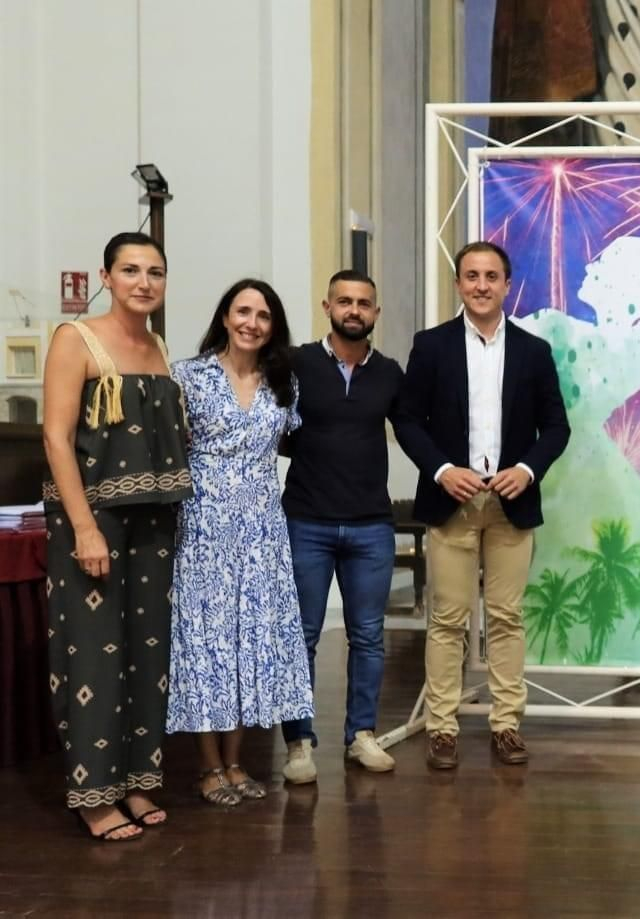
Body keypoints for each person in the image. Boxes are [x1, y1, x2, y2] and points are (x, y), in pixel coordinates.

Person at [40, 232, 193, 841]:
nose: (143, 282)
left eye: (155, 272)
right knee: (93, 655)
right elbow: (55, 439)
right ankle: (93, 794)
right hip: (94, 519)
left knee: (148, 654)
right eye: (130, 270)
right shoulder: (75, 339)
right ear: (106, 277)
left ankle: (136, 780)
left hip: (154, 520)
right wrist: (83, 528)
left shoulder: (157, 346)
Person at [395, 241, 571, 770]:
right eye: (471, 275)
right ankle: (442, 729)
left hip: (511, 504)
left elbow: (556, 427)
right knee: (447, 619)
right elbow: (407, 421)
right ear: (458, 284)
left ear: (507, 285)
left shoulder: (534, 351)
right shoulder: (431, 346)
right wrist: (443, 470)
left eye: (491, 276)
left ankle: (506, 725)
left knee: (506, 618)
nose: (481, 285)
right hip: (452, 502)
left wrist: (528, 469)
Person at [166, 279, 314, 806]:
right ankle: (208, 767)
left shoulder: (283, 382)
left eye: (263, 315)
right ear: (225, 317)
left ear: (274, 326)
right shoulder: (188, 375)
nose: (252, 322)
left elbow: (293, 440)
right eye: (243, 311)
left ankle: (235, 762)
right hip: (203, 527)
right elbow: (169, 448)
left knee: (250, 643)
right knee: (206, 646)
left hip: (261, 530)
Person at [278, 270, 407, 784]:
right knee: (301, 636)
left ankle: (361, 735)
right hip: (305, 521)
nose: (354, 310)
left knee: (369, 637)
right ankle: (299, 744)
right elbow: (273, 427)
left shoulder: (390, 373)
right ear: (327, 306)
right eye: (345, 301)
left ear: (376, 312)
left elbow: (413, 431)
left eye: (364, 303)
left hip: (370, 525)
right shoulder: (296, 364)